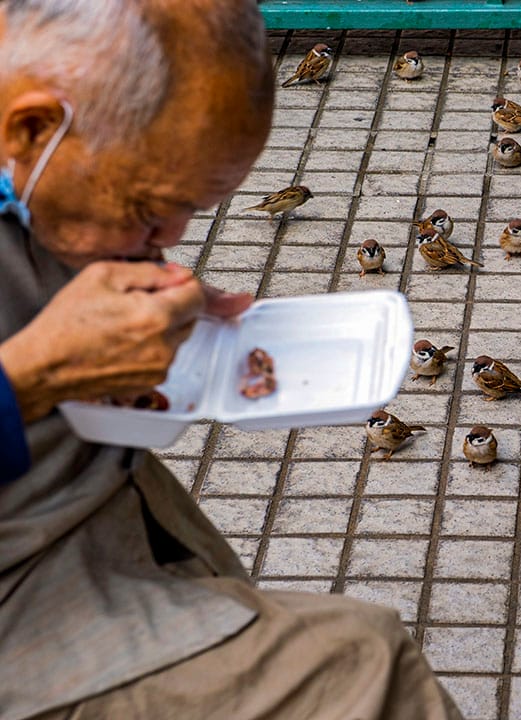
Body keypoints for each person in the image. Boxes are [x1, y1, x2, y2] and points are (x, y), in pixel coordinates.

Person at [0, 1, 460, 717]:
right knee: (366, 668)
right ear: (30, 129)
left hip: (101, 502)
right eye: (149, 207)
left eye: (194, 210)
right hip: (25, 599)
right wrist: (32, 377)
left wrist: (131, 300)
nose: (169, 239)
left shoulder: (37, 140)